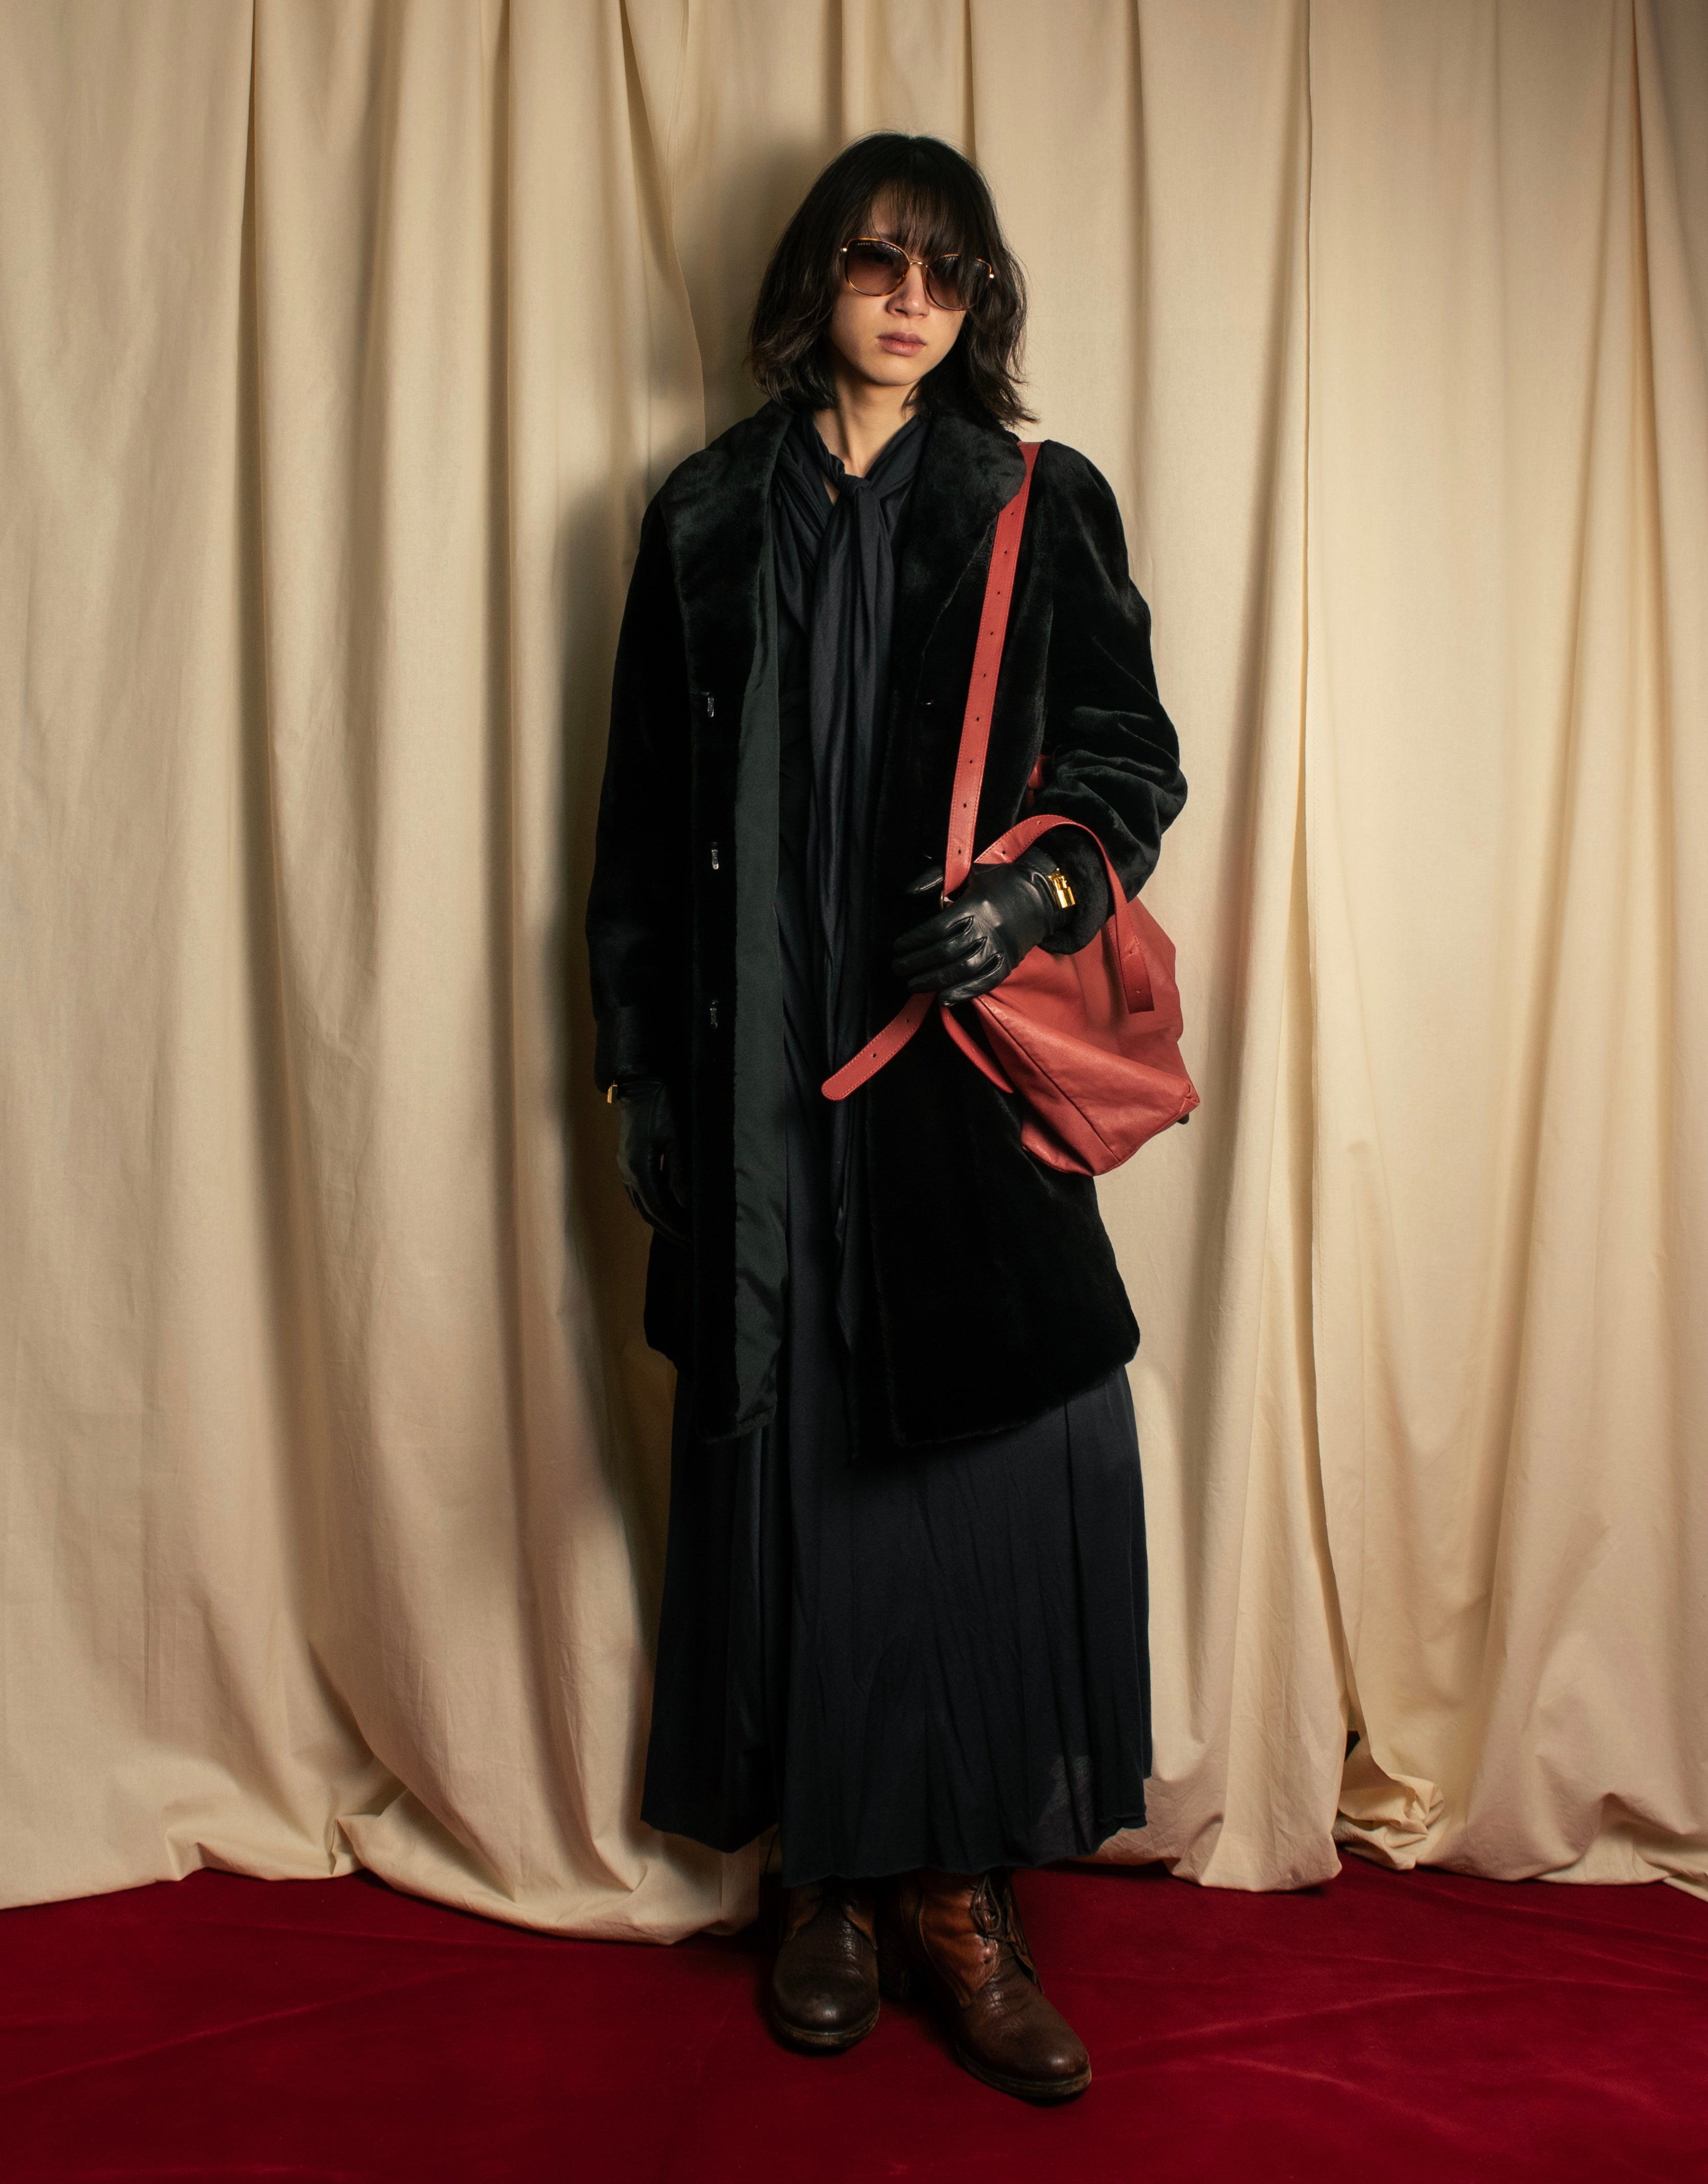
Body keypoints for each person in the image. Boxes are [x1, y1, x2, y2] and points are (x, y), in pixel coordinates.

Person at [585, 132, 1185, 2103]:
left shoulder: (1033, 499)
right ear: (817, 280)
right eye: (876, 261)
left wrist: (1032, 894)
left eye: (949, 270)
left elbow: (1130, 764)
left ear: (978, 300)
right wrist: (644, 1068)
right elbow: (639, 838)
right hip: (765, 1107)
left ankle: (959, 1897)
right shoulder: (699, 519)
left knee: (973, 1493)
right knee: (803, 1484)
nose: (913, 298)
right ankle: (826, 1889)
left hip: (955, 1101)